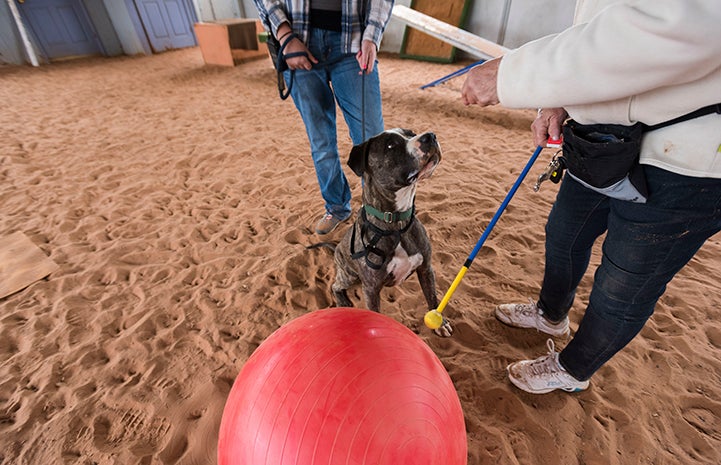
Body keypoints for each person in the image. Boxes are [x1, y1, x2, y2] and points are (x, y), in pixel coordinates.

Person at [460, 0, 721, 394]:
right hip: (603, 143)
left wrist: (513, 72)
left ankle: (573, 370)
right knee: (564, 233)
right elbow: (597, 25)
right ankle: (551, 315)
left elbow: (671, 30)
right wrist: (560, 97)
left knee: (622, 285)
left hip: (689, 161)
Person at [253, 0, 394, 234]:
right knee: (321, 142)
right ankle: (337, 207)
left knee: (372, 139)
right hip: (299, 41)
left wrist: (373, 35)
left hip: (354, 42)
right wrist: (284, 35)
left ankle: (378, 213)